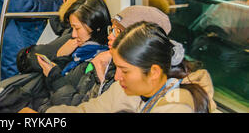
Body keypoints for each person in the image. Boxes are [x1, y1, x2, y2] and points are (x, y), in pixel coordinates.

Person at [34, 22, 216, 113]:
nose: (117, 76)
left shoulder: (177, 106)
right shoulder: (134, 88)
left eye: (125, 70)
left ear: (153, 71)